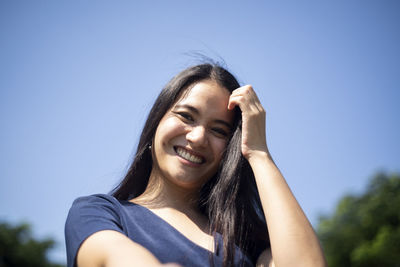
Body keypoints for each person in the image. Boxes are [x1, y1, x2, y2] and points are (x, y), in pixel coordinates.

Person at [65, 63, 327, 267]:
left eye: (219, 130)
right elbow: (114, 256)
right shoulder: (98, 213)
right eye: (186, 116)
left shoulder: (247, 243)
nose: (198, 137)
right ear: (157, 120)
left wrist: (259, 153)